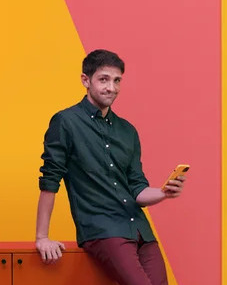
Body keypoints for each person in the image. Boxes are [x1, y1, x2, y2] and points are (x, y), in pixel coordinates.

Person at [35, 49, 185, 285]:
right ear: (86, 80)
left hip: (139, 230)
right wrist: (42, 237)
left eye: (117, 81)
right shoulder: (66, 122)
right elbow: (50, 181)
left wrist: (164, 192)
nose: (111, 88)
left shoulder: (127, 131)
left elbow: (137, 188)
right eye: (103, 79)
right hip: (102, 230)